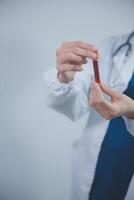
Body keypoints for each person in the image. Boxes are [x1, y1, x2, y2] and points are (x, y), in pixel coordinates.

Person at [44, 31, 134, 200]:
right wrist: (65, 77)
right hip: (98, 165)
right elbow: (74, 100)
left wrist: (131, 110)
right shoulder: (113, 46)